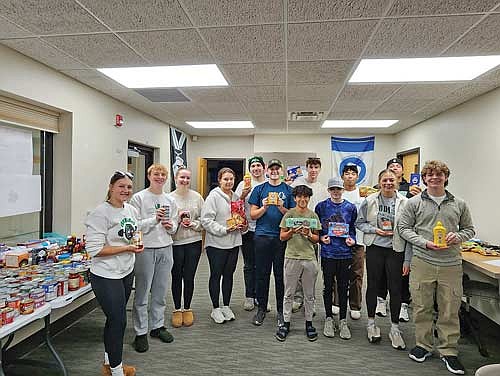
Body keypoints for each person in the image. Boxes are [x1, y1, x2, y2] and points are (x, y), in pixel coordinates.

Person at [398, 160, 475, 375]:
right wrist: (423, 242)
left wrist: (457, 236)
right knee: (422, 306)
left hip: (451, 264)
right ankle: (423, 345)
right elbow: (403, 228)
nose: (434, 178)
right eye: (430, 175)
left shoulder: (459, 204)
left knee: (449, 308)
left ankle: (449, 351)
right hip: (423, 261)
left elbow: (470, 229)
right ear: (424, 178)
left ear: (446, 178)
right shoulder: (413, 203)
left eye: (439, 175)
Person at [85, 170, 142, 376]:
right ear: (111, 187)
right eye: (121, 186)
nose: (125, 190)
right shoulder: (100, 213)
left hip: (126, 270)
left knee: (113, 319)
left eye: (128, 187)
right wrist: (126, 248)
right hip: (106, 275)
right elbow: (94, 250)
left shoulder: (130, 209)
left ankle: (109, 362)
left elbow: (134, 230)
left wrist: (137, 239)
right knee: (119, 320)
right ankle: (117, 371)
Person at [356, 168, 409, 350]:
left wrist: (407, 259)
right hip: (375, 248)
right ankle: (371, 323)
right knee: (373, 285)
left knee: (396, 288)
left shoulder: (405, 202)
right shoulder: (369, 200)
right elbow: (359, 222)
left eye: (391, 180)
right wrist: (374, 230)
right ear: (379, 182)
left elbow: (410, 231)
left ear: (397, 182)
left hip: (396, 250)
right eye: (384, 180)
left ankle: (395, 328)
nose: (388, 183)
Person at [129, 164, 177, 353]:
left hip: (165, 248)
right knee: (142, 292)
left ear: (166, 178)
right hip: (145, 250)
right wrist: (153, 220)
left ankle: (157, 326)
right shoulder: (138, 198)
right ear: (149, 176)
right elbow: (133, 226)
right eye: (156, 174)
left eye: (163, 174)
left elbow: (174, 227)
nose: (160, 177)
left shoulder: (170, 200)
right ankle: (140, 332)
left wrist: (169, 225)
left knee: (160, 291)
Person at [249, 159, 295, 327]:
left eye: (278, 168)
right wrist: (265, 208)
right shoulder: (259, 189)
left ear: (282, 171)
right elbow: (253, 215)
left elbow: (293, 216)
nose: (275, 171)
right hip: (262, 237)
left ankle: (281, 311)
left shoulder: (289, 190)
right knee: (261, 274)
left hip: (281, 238)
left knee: (280, 276)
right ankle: (261, 308)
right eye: (272, 168)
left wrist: (282, 207)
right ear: (267, 171)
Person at [376, 158, 421, 320]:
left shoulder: (412, 189)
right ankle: (381, 301)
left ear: (401, 171)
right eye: (391, 166)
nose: (394, 168)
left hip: (402, 240)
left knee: (402, 274)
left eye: (397, 166)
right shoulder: (377, 191)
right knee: (381, 274)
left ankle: (403, 305)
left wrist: (419, 195)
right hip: (381, 240)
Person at [201, 167, 247, 323]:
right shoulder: (213, 197)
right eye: (225, 179)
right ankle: (215, 308)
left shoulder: (236, 197)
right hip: (216, 244)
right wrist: (224, 230)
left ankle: (226, 305)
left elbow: (240, 217)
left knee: (229, 275)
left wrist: (242, 226)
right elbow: (206, 221)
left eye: (231, 179)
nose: (229, 182)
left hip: (234, 243)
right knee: (216, 275)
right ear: (219, 180)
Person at [276, 185, 321, 342]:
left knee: (309, 294)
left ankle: (309, 323)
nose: (303, 200)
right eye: (299, 197)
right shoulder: (289, 214)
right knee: (289, 292)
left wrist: (308, 234)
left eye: (306, 197)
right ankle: (286, 323)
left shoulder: (313, 216)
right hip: (292, 257)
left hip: (309, 258)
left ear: (309, 198)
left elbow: (317, 239)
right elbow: (282, 236)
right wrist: (292, 232)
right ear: (295, 198)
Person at [315, 177, 357, 339]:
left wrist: (352, 239)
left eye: (338, 189)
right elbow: (317, 227)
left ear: (343, 190)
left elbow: (353, 228)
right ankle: (328, 318)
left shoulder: (350, 208)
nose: (336, 192)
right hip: (328, 253)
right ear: (329, 190)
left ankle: (343, 320)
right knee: (328, 286)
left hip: (345, 254)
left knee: (343, 287)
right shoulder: (321, 207)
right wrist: (321, 237)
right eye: (333, 189)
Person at [290, 157, 329, 312]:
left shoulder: (323, 188)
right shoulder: (296, 183)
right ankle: (297, 297)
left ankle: (309, 299)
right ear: (306, 168)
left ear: (319, 169)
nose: (313, 170)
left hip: (312, 232)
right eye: (310, 167)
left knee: (310, 269)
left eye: (316, 167)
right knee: (296, 267)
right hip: (296, 230)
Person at [169, 167, 204, 327]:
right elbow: (166, 223)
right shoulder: (168, 198)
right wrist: (177, 220)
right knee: (176, 277)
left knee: (189, 277)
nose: (185, 180)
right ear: (176, 178)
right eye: (182, 177)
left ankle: (187, 308)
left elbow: (204, 220)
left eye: (188, 178)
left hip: (193, 243)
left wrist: (193, 224)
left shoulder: (197, 197)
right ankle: (177, 309)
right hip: (175, 243)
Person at [235, 156, 266, 311]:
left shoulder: (269, 183)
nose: (256, 168)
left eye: (258, 165)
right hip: (247, 229)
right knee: (249, 265)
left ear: (263, 167)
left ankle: (261, 298)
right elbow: (234, 206)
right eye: (253, 166)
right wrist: (242, 195)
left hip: (265, 230)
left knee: (263, 265)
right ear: (250, 169)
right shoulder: (242, 184)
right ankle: (249, 296)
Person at [334, 164, 365, 321]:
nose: (350, 176)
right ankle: (337, 302)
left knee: (356, 273)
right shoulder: (338, 192)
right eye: (347, 173)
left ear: (357, 177)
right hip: (338, 239)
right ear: (342, 176)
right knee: (337, 273)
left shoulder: (363, 194)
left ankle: (355, 305)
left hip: (358, 240)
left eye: (353, 173)